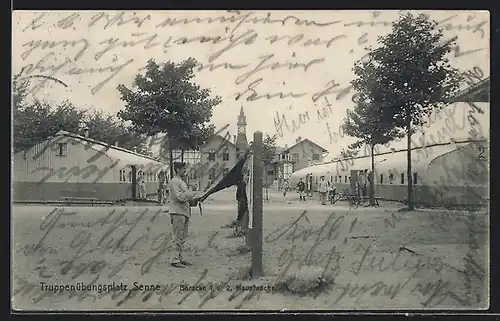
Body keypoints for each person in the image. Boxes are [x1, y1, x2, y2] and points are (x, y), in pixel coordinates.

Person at [168, 162, 200, 268]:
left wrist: (194, 199)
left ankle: (180, 258)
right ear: (177, 170)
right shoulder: (174, 182)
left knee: (183, 237)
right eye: (183, 169)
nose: (185, 171)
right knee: (177, 237)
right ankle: (174, 259)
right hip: (177, 212)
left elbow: (186, 198)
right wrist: (191, 190)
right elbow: (180, 197)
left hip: (184, 212)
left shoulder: (181, 181)